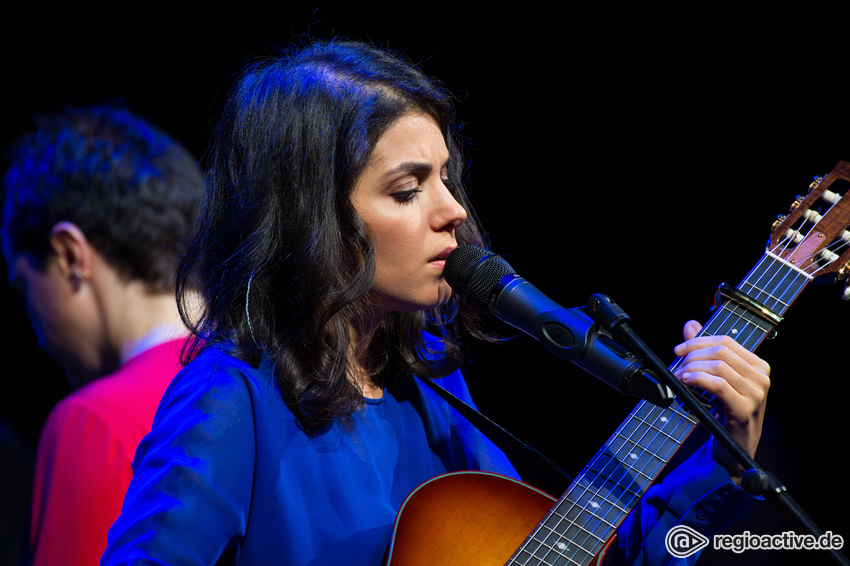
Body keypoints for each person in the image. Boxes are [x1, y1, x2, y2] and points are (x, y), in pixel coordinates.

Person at [101, 40, 770, 565]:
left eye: (444, 177)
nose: (453, 210)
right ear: (313, 219)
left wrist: (724, 461)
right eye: (406, 189)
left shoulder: (428, 379)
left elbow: (576, 556)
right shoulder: (231, 395)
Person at [1, 105, 204, 566]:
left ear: (70, 255)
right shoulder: (279, 378)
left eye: (23, 286)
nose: (35, 334)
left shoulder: (93, 422)